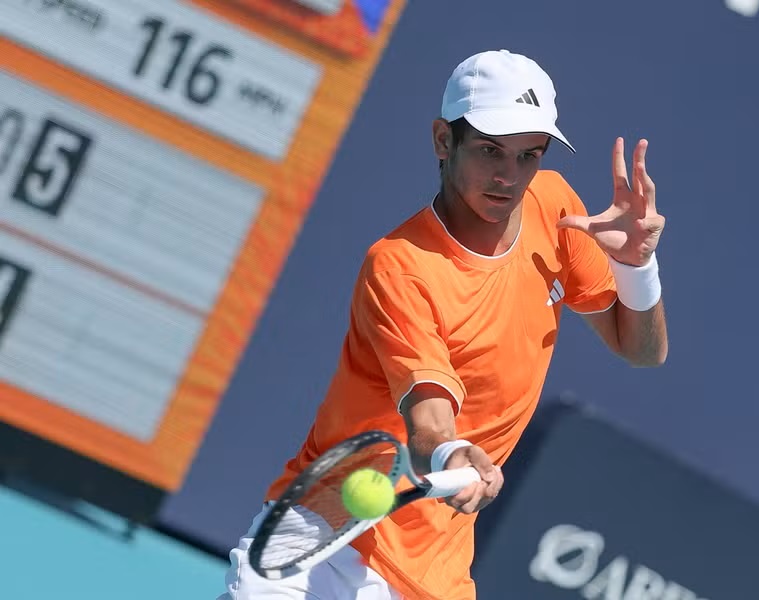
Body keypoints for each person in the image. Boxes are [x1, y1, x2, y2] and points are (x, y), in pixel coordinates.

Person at [218, 48, 669, 600]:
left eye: (529, 155)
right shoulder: (400, 264)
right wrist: (454, 454)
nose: (509, 176)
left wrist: (637, 266)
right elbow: (429, 415)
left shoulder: (555, 206)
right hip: (325, 543)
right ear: (442, 140)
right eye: (489, 150)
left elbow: (641, 348)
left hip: (435, 571)